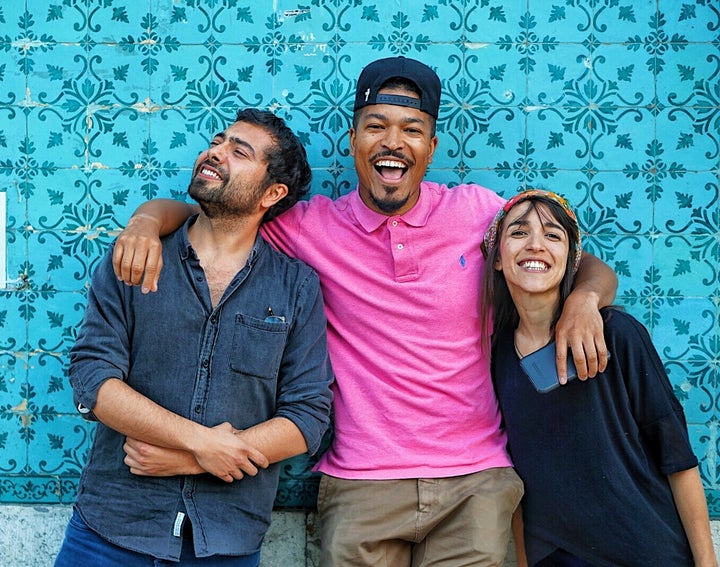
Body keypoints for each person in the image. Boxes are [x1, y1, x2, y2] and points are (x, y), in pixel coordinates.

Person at [110, 57, 618, 566]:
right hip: (359, 481)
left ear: (431, 148)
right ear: (353, 141)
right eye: (376, 126)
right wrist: (146, 221)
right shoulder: (308, 227)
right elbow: (217, 216)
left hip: (475, 480)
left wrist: (584, 300)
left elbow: (574, 258)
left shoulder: (477, 212)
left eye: (411, 130)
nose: (393, 142)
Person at [54, 109, 334, 567]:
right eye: (218, 141)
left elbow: (307, 416)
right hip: (112, 529)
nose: (215, 152)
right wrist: (204, 444)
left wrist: (192, 459)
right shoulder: (136, 257)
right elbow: (93, 380)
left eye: (238, 151)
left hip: (227, 537)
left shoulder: (296, 287)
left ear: (273, 193)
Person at [481, 189, 718, 567]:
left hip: (649, 553)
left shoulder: (618, 335)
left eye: (553, 235)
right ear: (496, 259)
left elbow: (678, 458)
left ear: (572, 261)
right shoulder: (497, 358)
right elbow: (518, 483)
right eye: (519, 233)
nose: (536, 245)